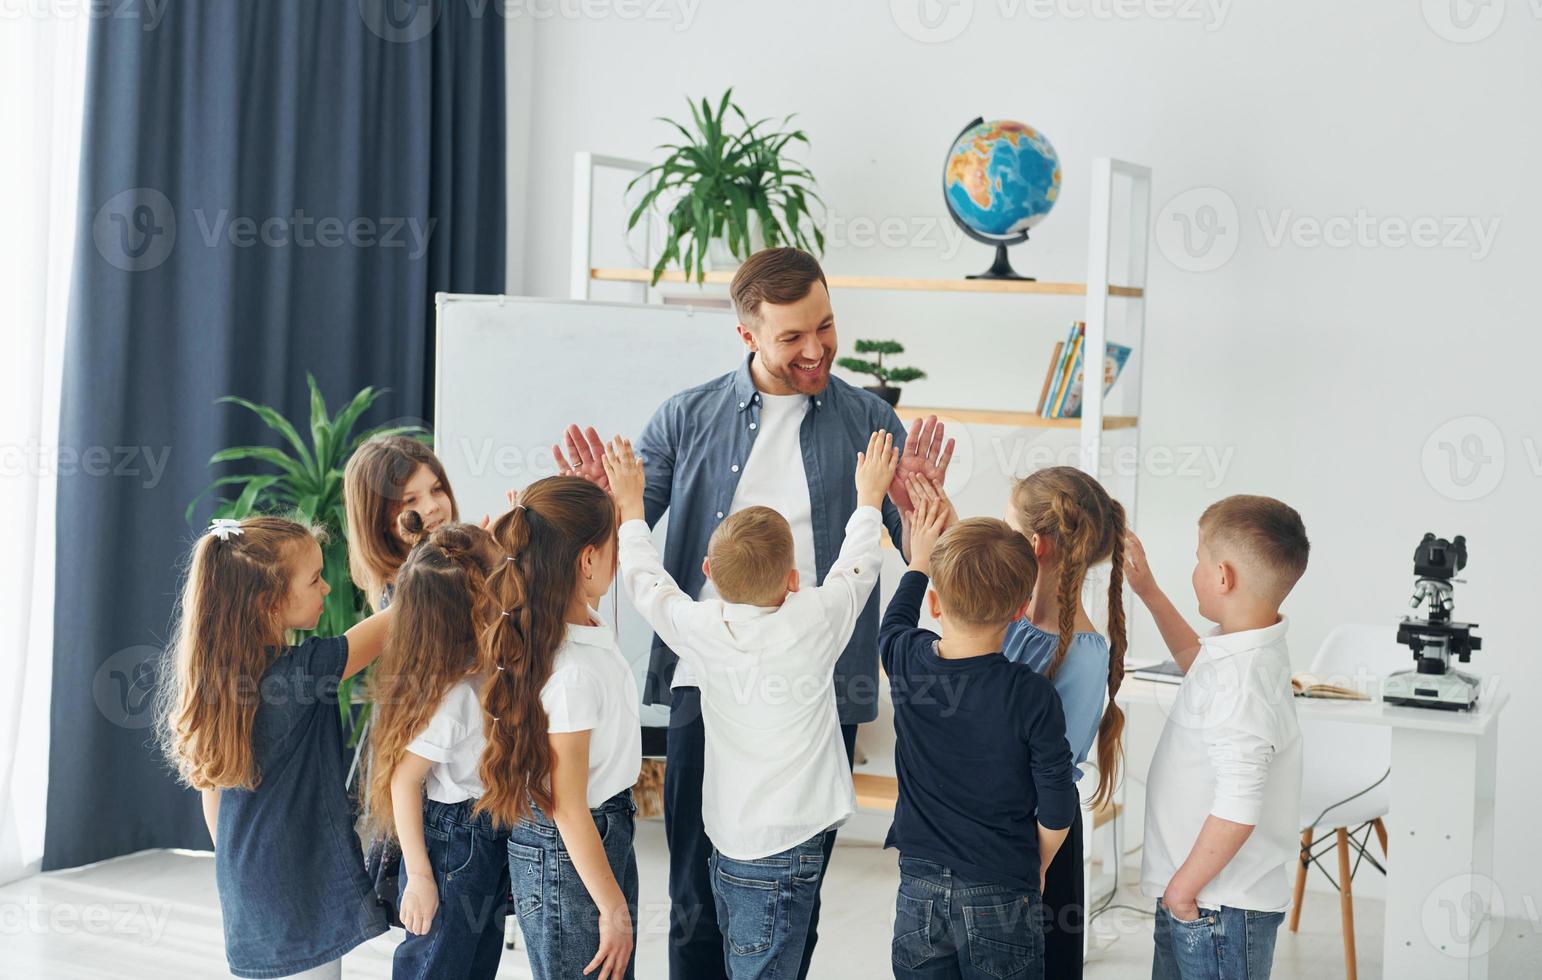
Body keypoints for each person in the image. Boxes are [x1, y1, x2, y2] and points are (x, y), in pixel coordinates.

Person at [552, 246, 954, 980]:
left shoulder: (870, 420)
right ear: (748, 336)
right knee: (694, 890)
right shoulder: (687, 417)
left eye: (825, 326)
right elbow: (620, 541)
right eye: (792, 336)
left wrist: (929, 509)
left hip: (818, 684)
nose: (816, 349)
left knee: (791, 890)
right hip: (707, 675)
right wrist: (594, 511)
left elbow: (931, 564)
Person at [603, 431, 897, 978]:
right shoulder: (814, 620)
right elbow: (856, 570)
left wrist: (631, 508)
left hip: (728, 841)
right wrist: (868, 499)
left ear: (709, 575)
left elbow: (646, 582)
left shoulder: (700, 627)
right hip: (796, 843)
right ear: (792, 579)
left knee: (744, 951)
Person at [157, 516, 395, 979]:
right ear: (269, 602)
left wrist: (247, 869)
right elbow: (394, 621)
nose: (327, 589)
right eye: (315, 579)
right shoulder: (299, 677)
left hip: (248, 884)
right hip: (297, 890)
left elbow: (215, 798)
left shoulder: (223, 686)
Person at [880, 484, 1077, 980]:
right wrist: (1039, 863)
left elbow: (894, 621)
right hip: (1002, 889)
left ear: (936, 605)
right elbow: (1057, 803)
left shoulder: (907, 660)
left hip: (919, 888)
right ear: (1018, 611)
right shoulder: (1031, 694)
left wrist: (919, 560)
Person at [1124, 495, 1310, 980]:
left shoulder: (1243, 685)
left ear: (1223, 576)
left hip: (1217, 907)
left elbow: (1239, 806)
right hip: (1201, 896)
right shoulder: (1245, 645)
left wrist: (1183, 893)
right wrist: (1149, 592)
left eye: (1199, 559)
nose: (1195, 571)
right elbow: (1197, 665)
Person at [478, 476, 643, 980]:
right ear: (587, 560)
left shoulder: (581, 623)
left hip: (602, 830)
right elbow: (568, 806)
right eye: (616, 543)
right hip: (569, 847)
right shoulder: (570, 673)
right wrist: (612, 907)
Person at [364, 516, 509, 980]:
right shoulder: (457, 697)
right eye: (502, 578)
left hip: (482, 834)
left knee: (476, 959)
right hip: (454, 845)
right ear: (475, 609)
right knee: (437, 963)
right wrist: (421, 876)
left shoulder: (476, 673)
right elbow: (405, 780)